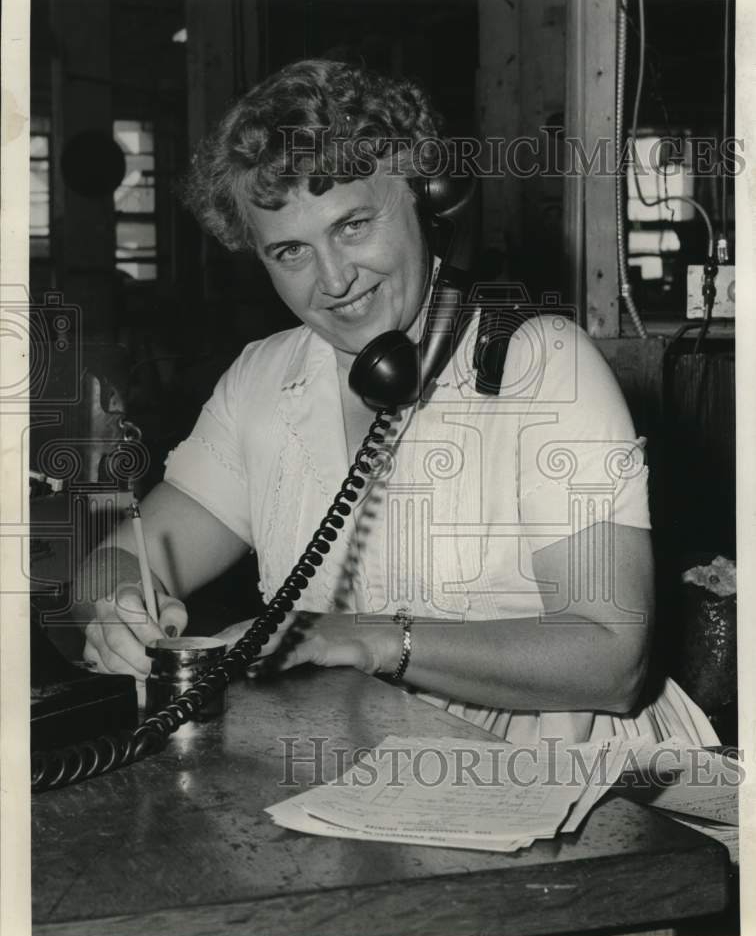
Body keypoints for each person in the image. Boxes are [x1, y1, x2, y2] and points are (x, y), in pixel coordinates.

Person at [80, 59, 717, 747]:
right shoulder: (264, 380)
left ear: (428, 195)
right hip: (354, 774)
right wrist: (115, 608)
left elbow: (611, 659)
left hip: (568, 783)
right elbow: (121, 561)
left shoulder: (541, 365)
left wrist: (359, 638)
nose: (334, 278)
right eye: (291, 251)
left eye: (353, 225)